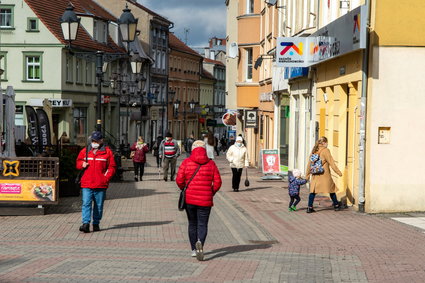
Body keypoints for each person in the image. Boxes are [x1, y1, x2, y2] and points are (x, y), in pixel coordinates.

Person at [176, 140, 222, 261]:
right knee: (202, 224)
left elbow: (179, 179)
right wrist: (210, 192)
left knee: (192, 223)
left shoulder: (186, 162)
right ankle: (200, 242)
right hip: (205, 200)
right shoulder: (211, 164)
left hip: (189, 199)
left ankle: (193, 249)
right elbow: (218, 182)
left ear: (192, 149)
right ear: (204, 150)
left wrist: (184, 189)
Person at [76, 131, 116, 233]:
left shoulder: (107, 152)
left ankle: (96, 223)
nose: (94, 142)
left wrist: (105, 178)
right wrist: (82, 164)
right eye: (93, 140)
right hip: (87, 183)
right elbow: (78, 162)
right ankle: (85, 224)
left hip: (100, 184)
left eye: (97, 141)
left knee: (98, 205)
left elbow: (112, 167)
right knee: (86, 203)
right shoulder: (85, 151)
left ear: (101, 141)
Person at [305, 136, 343, 213]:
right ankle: (336, 205)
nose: (327, 144)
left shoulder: (314, 150)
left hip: (315, 175)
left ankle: (309, 207)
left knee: (313, 191)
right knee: (331, 189)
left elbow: (309, 164)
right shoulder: (326, 150)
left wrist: (307, 175)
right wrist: (338, 172)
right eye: (327, 143)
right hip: (324, 175)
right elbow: (331, 162)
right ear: (324, 143)